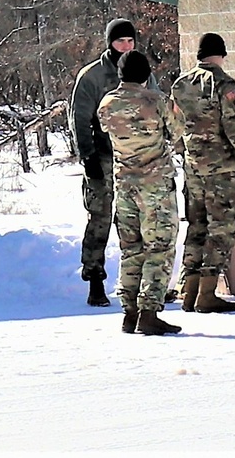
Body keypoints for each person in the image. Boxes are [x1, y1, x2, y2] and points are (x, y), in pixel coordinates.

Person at [68, 17, 158, 307]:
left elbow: (156, 107)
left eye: (130, 41)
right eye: (120, 41)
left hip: (136, 160)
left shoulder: (141, 71)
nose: (126, 46)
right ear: (109, 43)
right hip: (104, 157)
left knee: (134, 221)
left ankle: (140, 283)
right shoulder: (92, 76)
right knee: (101, 218)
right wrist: (88, 158)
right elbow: (80, 119)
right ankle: (95, 278)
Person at [97, 50, 184, 335]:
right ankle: (149, 311)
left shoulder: (107, 104)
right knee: (158, 247)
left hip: (124, 185)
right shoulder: (157, 102)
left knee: (131, 248)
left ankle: (128, 311)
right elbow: (178, 130)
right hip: (155, 186)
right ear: (147, 74)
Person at [170, 33, 235, 314]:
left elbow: (175, 128)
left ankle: (188, 292)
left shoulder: (180, 85)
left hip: (192, 168)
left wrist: (185, 152)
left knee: (197, 226)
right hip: (221, 169)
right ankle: (207, 292)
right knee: (222, 228)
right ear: (221, 54)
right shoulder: (225, 84)